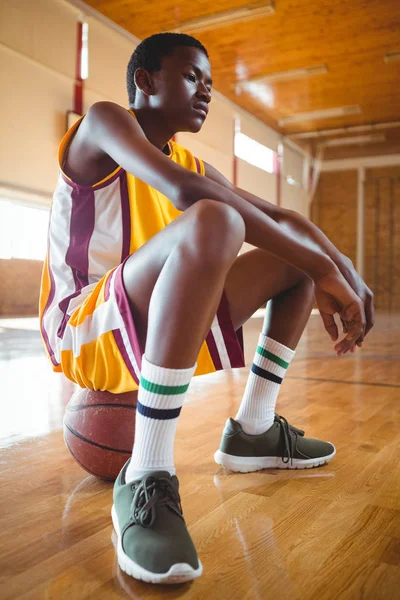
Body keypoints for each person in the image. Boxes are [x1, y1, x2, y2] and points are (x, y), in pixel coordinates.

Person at [39, 32, 374, 584]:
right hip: (81, 326)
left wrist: (342, 269)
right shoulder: (102, 122)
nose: (206, 92)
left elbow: (285, 219)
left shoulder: (190, 160)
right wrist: (324, 268)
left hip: (151, 317)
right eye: (193, 76)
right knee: (217, 217)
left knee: (282, 254)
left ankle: (254, 428)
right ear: (144, 80)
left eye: (211, 84)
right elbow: (184, 192)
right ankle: (147, 473)